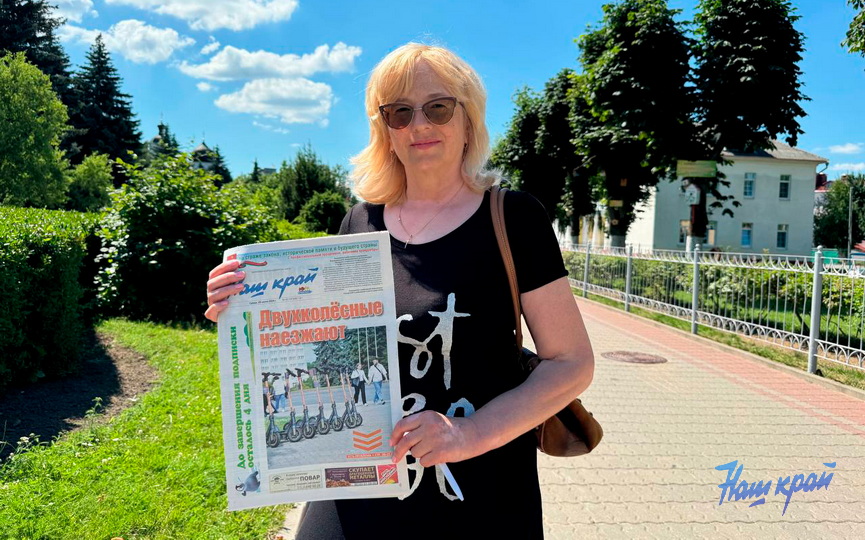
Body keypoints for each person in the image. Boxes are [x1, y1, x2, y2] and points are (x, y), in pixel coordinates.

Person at [205, 42, 594, 539]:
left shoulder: (513, 217)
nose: (419, 125)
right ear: (384, 130)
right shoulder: (359, 223)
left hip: (478, 494)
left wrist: (469, 434)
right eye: (400, 112)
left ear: (468, 119)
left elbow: (572, 362)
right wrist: (242, 310)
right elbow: (321, 342)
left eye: (438, 107)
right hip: (360, 483)